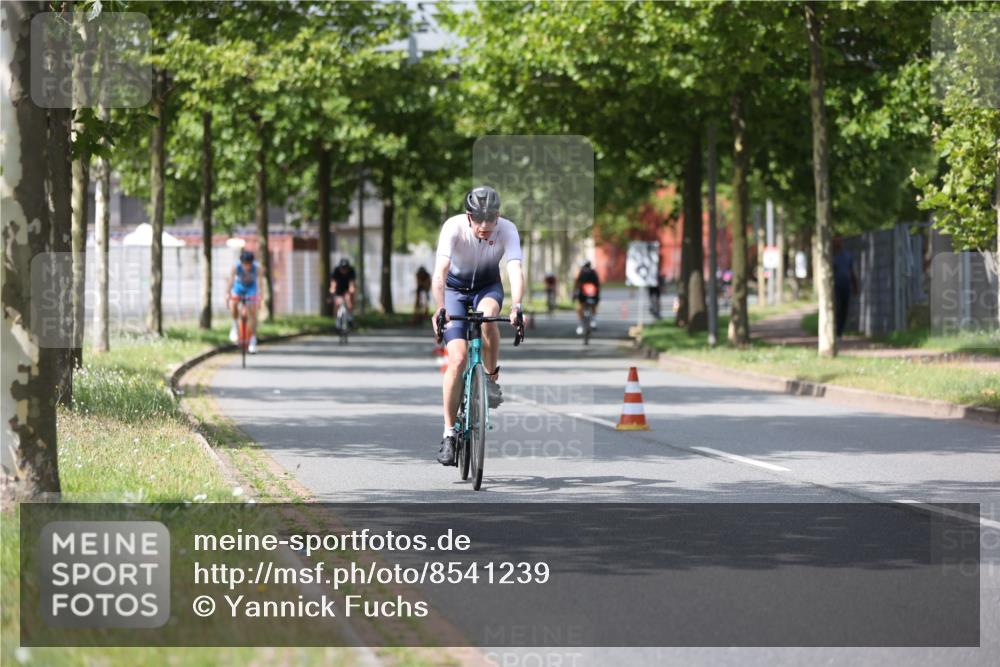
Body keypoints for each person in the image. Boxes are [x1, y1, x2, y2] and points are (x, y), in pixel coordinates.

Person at [430, 186, 524, 466]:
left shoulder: (507, 229)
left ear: (498, 216)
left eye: (491, 218)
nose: (485, 226)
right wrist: (440, 307)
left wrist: (517, 305)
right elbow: (440, 273)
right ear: (469, 216)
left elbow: (515, 269)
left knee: (488, 319)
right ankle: (448, 433)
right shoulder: (453, 227)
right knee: (456, 359)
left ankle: (491, 378)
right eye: (479, 219)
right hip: (454, 291)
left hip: (487, 287)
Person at [226, 249, 260, 354]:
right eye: (245, 264)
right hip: (239, 287)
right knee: (233, 303)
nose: (247, 267)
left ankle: (253, 341)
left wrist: (260, 298)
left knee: (252, 311)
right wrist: (227, 293)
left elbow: (261, 283)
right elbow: (231, 281)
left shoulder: (257, 268)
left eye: (249, 264)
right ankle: (234, 326)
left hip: (251, 288)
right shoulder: (236, 267)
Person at [832, 236, 858, 338]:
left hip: (846, 286)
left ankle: (839, 331)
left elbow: (852, 271)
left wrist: (855, 285)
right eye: (836, 241)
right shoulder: (830, 256)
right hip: (835, 288)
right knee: (837, 309)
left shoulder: (847, 255)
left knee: (844, 310)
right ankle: (834, 330)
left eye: (840, 241)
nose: (838, 243)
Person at [574, 260, 601, 335]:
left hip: (582, 294)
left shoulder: (580, 272)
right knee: (594, 306)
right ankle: (593, 322)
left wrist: (574, 294)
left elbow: (576, 283)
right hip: (593, 293)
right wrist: (598, 295)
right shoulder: (594, 272)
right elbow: (598, 285)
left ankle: (580, 325)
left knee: (580, 308)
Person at [329, 258, 357, 324]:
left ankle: (350, 316)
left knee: (349, 300)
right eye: (342, 268)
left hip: (347, 289)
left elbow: (352, 282)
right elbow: (333, 282)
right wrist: (332, 289)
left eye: (345, 268)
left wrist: (352, 289)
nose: (344, 270)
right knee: (337, 303)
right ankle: (337, 320)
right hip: (339, 288)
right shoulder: (336, 271)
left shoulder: (351, 271)